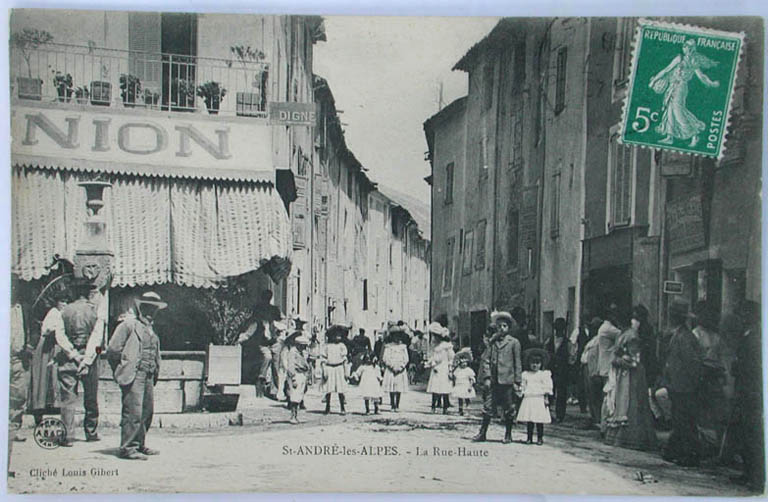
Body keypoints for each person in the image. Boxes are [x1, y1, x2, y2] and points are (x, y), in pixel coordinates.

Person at [106, 292, 165, 460]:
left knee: (147, 411)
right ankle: (127, 448)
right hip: (134, 374)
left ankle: (139, 444)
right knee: (133, 412)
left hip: (148, 375)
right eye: (147, 307)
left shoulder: (152, 329)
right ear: (140, 308)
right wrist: (122, 367)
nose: (150, 312)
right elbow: (113, 349)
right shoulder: (128, 325)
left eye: (153, 309)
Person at [603, 307, 658, 451]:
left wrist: (618, 360)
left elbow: (635, 361)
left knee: (630, 404)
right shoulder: (623, 333)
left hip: (632, 376)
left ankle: (632, 438)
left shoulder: (632, 336)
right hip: (623, 375)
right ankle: (620, 436)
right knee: (621, 403)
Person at [649, 38, 720, 148]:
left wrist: (711, 83)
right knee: (670, 111)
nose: (685, 48)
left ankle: (694, 134)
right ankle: (670, 136)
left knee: (678, 110)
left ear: (692, 49)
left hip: (681, 87)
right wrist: (654, 80)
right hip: (672, 86)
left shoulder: (693, 61)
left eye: (688, 46)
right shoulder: (679, 58)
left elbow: (701, 76)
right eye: (684, 46)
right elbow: (667, 69)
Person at [58, 281, 105, 445]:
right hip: (90, 358)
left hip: (69, 358)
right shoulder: (95, 311)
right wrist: (87, 359)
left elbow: (60, 336)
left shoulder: (64, 311)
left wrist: (73, 354)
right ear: (88, 294)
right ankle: (91, 432)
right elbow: (97, 338)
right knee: (91, 396)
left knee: (68, 398)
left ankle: (68, 435)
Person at [661, 300, 703, 467]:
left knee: (685, 420)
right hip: (679, 384)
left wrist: (690, 382)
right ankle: (676, 451)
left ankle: (690, 455)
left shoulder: (685, 337)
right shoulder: (679, 334)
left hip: (684, 386)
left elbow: (691, 362)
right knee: (681, 419)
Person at [473, 311, 522, 444]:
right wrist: (487, 377)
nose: (501, 328)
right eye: (499, 326)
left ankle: (508, 434)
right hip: (494, 381)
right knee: (488, 407)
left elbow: (517, 362)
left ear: (509, 328)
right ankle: (482, 433)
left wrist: (517, 381)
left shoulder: (514, 343)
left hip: (507, 380)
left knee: (509, 408)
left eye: (504, 326)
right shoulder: (492, 342)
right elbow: (486, 360)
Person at [730, 301, 764, 491]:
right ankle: (748, 472)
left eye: (744, 315)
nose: (741, 319)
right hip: (745, 390)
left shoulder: (755, 338)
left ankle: (756, 476)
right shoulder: (748, 336)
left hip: (751, 391)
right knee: (745, 432)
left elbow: (751, 367)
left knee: (752, 433)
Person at [691, 300, 728, 452]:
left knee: (716, 412)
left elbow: (721, 357)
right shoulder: (695, 334)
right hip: (702, 376)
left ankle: (716, 445)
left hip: (715, 378)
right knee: (702, 413)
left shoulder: (716, 336)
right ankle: (704, 444)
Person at [29, 293, 68, 425]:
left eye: (66, 302)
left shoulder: (61, 313)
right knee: (43, 376)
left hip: (54, 346)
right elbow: (47, 330)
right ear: (57, 303)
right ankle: (39, 408)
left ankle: (51, 406)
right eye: (62, 301)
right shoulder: (54, 313)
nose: (65, 304)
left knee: (53, 376)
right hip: (46, 346)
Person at [518, 349, 553, 445]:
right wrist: (521, 392)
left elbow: (547, 387)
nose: (535, 365)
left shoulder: (543, 374)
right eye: (532, 363)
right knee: (530, 419)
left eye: (537, 363)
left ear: (541, 364)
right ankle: (529, 438)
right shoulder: (526, 374)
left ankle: (540, 438)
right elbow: (523, 386)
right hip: (529, 398)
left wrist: (546, 398)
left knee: (539, 419)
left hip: (539, 398)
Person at [597, 305, 622, 435]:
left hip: (605, 365)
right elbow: (621, 334)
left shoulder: (604, 328)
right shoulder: (608, 329)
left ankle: (605, 425)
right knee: (609, 397)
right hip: (608, 366)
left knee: (608, 397)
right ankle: (605, 425)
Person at [545, 317, 574, 423]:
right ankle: (547, 413)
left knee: (561, 394)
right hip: (551, 370)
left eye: (561, 328)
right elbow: (545, 354)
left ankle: (560, 415)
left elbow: (571, 357)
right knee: (549, 392)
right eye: (557, 328)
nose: (559, 331)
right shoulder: (549, 340)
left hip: (562, 371)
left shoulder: (568, 343)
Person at [425, 323, 455, 414]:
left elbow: (451, 358)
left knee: (444, 388)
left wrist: (450, 368)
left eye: (435, 336)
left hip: (444, 368)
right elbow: (433, 357)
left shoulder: (446, 346)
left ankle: (445, 406)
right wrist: (429, 363)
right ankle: (433, 406)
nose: (434, 338)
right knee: (435, 388)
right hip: (436, 369)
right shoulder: (435, 346)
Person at [580, 317, 603, 429]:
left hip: (593, 369)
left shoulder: (600, 340)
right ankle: (594, 417)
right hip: (586, 367)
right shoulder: (593, 339)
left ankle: (598, 419)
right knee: (589, 394)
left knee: (595, 395)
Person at [321, 325, 350, 415]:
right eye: (336, 335)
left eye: (339, 335)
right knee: (328, 389)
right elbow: (323, 359)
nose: (338, 337)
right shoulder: (327, 346)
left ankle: (342, 407)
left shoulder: (342, 346)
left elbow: (345, 360)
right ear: (331, 336)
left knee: (340, 389)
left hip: (339, 368)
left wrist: (346, 372)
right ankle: (327, 407)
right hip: (330, 368)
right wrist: (324, 370)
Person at [382, 328, 410, 412]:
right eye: (395, 336)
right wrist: (392, 367)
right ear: (392, 336)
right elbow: (385, 358)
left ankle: (397, 404)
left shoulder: (403, 347)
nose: (397, 338)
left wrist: (401, 367)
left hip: (400, 369)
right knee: (392, 387)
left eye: (398, 336)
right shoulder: (388, 347)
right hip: (391, 369)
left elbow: (406, 359)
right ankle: (392, 404)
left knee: (398, 387)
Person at [286, 334, 311, 424]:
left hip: (302, 374)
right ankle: (293, 416)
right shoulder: (293, 352)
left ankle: (295, 415)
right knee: (294, 396)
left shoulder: (302, 353)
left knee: (299, 395)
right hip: (296, 374)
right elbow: (291, 366)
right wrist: (293, 378)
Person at [451, 348, 476, 416]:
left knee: (467, 397)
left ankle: (467, 408)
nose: (464, 364)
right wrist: (454, 384)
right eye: (462, 363)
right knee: (460, 397)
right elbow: (454, 377)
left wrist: (470, 386)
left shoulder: (468, 370)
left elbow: (471, 379)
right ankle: (460, 409)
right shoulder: (458, 370)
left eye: (465, 363)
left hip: (466, 385)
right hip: (459, 385)